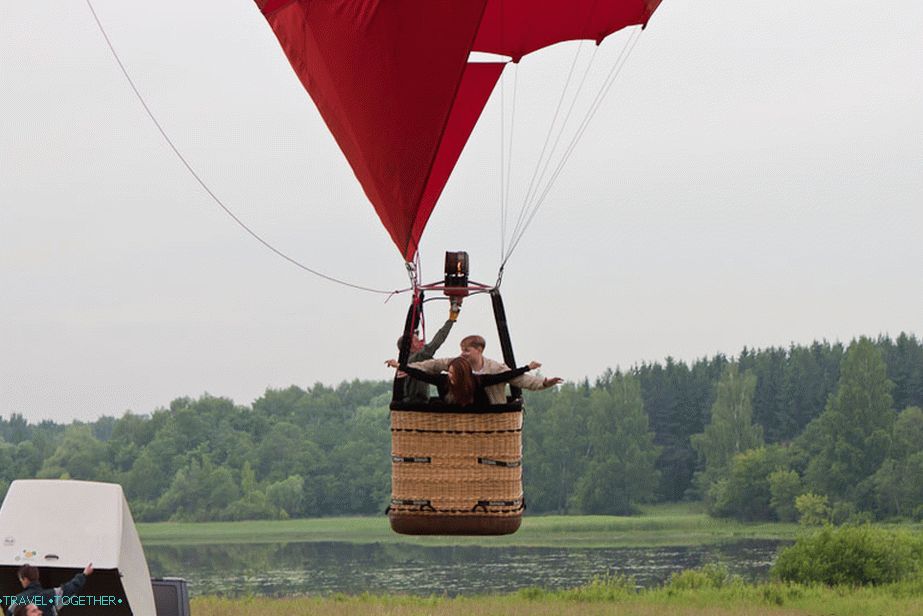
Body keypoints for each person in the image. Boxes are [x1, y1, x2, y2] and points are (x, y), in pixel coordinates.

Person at [408, 334, 563, 404]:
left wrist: (544, 383)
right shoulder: (457, 365)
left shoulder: (495, 368)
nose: (463, 354)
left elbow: (520, 380)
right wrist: (406, 367)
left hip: (489, 414)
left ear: (479, 350)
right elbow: (430, 365)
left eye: (467, 350)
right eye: (462, 350)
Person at [386, 356, 542, 406]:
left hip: (475, 414)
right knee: (434, 404)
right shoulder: (443, 380)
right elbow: (422, 375)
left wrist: (527, 368)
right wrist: (401, 366)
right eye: (450, 373)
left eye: (454, 374)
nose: (450, 377)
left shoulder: (477, 381)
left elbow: (503, 376)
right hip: (452, 415)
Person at [394, 304, 460, 402]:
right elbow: (437, 341)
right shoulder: (416, 358)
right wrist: (451, 320)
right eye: (417, 341)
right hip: (415, 402)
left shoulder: (411, 361)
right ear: (410, 346)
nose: (421, 342)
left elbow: (435, 367)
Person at [7, 563, 93, 616]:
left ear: (25, 579)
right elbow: (70, 588)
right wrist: (84, 574)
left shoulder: (17, 600)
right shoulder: (52, 595)